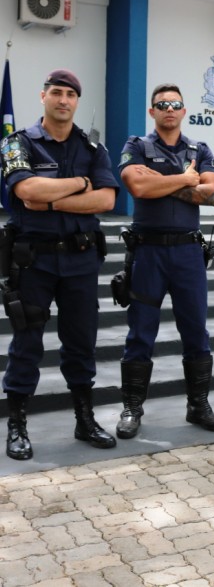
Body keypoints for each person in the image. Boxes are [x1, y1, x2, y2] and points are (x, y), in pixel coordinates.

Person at [1, 69, 118, 460]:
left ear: (77, 101)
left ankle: (84, 420)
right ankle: (16, 426)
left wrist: (52, 198)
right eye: (56, 92)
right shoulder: (18, 143)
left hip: (81, 259)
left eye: (70, 94)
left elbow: (106, 202)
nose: (63, 100)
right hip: (33, 260)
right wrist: (82, 184)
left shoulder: (93, 149)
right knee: (27, 343)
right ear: (43, 96)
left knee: (81, 341)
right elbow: (25, 189)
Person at [114, 84, 214, 438]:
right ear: (152, 112)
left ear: (184, 109)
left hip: (188, 255)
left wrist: (160, 180)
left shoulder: (199, 149)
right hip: (148, 254)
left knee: (196, 331)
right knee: (140, 333)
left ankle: (199, 405)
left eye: (175, 103)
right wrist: (185, 179)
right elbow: (138, 187)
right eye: (162, 104)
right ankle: (132, 408)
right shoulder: (137, 146)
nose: (169, 109)